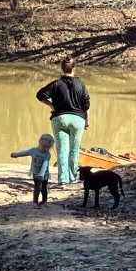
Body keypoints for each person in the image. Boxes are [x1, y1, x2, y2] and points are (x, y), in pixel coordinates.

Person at [36, 56, 90, 185]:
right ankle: (73, 178)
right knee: (74, 149)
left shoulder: (56, 84)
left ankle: (63, 180)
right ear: (74, 68)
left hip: (59, 118)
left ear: (61, 68)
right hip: (78, 119)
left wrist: (51, 105)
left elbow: (40, 95)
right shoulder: (81, 85)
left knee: (62, 150)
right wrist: (87, 120)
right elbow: (86, 105)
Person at [11, 134, 55, 207]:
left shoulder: (48, 154)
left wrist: (41, 174)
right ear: (40, 142)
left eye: (48, 147)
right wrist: (15, 155)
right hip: (35, 173)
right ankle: (35, 202)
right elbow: (24, 152)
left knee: (44, 188)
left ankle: (44, 201)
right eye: (44, 146)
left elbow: (45, 164)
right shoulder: (33, 150)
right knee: (37, 187)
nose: (45, 149)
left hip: (45, 174)